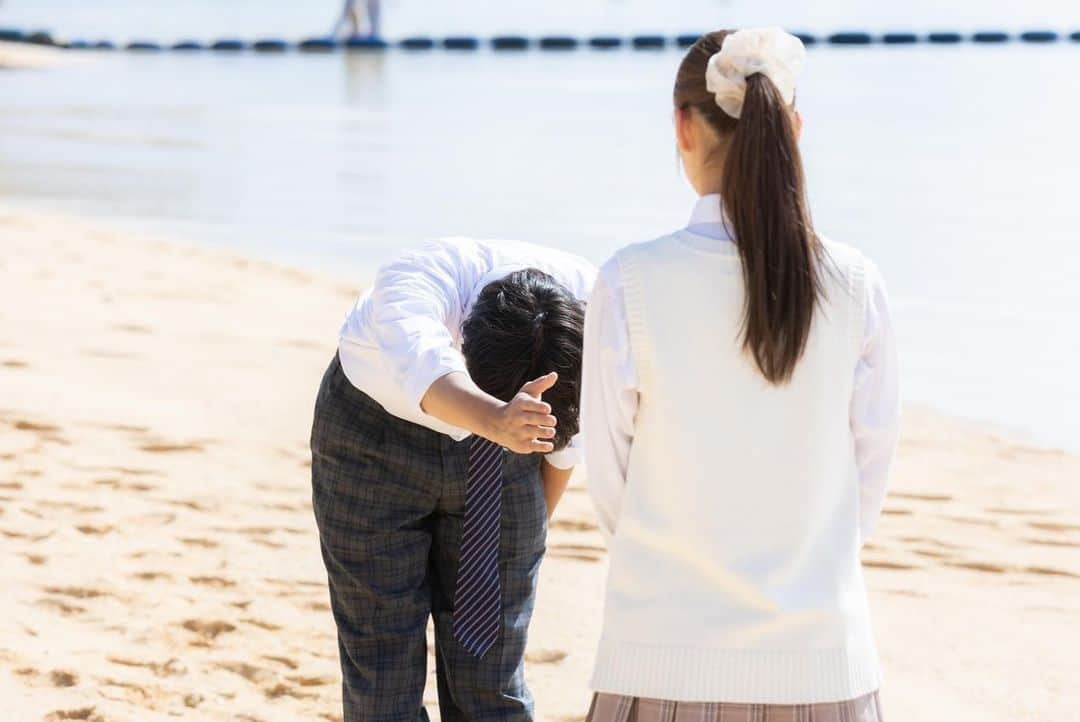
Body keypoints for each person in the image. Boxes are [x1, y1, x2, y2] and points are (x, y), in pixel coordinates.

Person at [581, 27, 900, 721]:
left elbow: (611, 484)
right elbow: (866, 481)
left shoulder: (631, 280)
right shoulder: (854, 283)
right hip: (821, 661)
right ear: (794, 129)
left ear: (682, 126)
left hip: (658, 653)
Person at [310, 237, 595, 721]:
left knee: (490, 677)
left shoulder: (600, 311)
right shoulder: (418, 282)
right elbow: (427, 370)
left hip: (510, 454)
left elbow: (565, 446)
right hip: (372, 439)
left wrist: (515, 545)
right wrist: (497, 421)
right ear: (464, 337)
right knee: (383, 675)